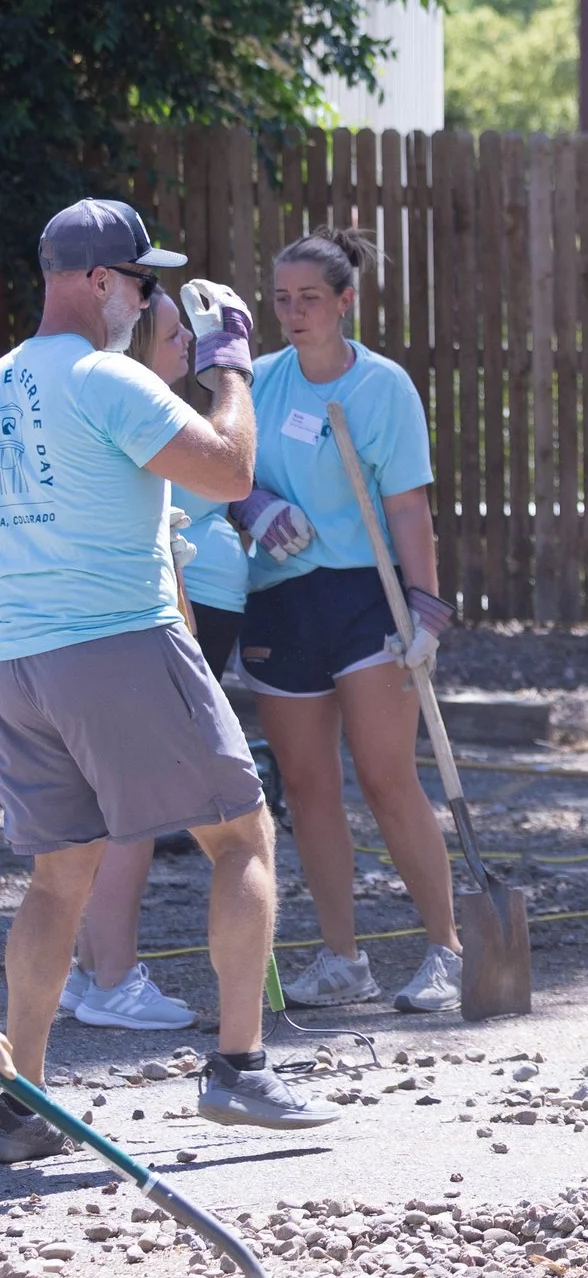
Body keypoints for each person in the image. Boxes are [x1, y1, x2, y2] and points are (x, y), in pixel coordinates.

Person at [0, 200, 328, 1151]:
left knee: (59, 877)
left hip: (18, 657)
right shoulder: (104, 376)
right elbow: (228, 470)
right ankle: (240, 1068)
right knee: (242, 835)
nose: (146, 303)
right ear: (99, 280)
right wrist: (230, 367)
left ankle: (21, 1097)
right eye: (142, 284)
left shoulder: (7, 380)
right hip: (117, 638)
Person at [234, 225, 465, 1016]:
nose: (293, 313)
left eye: (309, 299)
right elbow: (219, 469)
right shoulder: (258, 383)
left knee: (385, 773)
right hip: (280, 599)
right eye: (281, 300)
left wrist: (426, 610)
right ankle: (342, 960)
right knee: (305, 785)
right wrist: (253, 504)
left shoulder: (382, 388)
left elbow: (407, 506)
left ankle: (447, 950)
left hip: (368, 598)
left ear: (345, 302)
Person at [61, 287, 263, 1033]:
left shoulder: (109, 403)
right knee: (136, 813)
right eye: (176, 335)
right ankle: (112, 977)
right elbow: (225, 468)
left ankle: (93, 971)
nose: (189, 348)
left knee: (107, 810)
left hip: (127, 622)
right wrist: (233, 374)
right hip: (160, 618)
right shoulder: (133, 409)